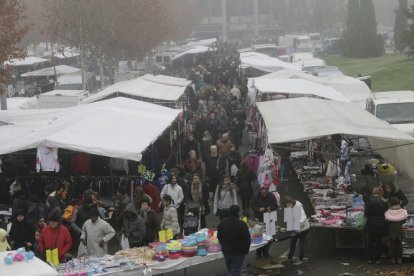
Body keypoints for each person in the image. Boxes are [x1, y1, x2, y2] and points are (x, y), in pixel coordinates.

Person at [217, 205, 251, 276]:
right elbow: (247, 239)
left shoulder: (222, 223)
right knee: (235, 271)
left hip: (226, 251)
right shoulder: (242, 224)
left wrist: (223, 245)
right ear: (238, 212)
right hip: (238, 252)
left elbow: (219, 236)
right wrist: (246, 250)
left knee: (231, 270)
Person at [251, 184, 278, 258]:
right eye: (263, 193)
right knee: (259, 235)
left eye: (266, 193)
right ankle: (258, 252)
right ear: (260, 190)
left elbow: (275, 206)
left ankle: (266, 251)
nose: (265, 194)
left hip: (269, 217)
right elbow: (252, 206)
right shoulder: (255, 196)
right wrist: (258, 209)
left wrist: (270, 208)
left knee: (269, 236)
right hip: (259, 217)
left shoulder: (271, 196)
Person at [365, 186, 388, 264]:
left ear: (373, 192)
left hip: (371, 223)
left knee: (370, 242)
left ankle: (370, 259)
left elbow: (366, 213)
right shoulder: (384, 201)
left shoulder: (370, 201)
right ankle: (378, 259)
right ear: (381, 192)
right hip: (381, 224)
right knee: (378, 242)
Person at [285, 196, 310, 266]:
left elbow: (303, 216)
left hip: (304, 229)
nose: (288, 206)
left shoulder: (298, 206)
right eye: (287, 205)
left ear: (292, 202)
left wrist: (299, 223)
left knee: (301, 245)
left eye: (289, 204)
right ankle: (289, 258)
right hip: (295, 229)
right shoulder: (288, 208)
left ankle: (301, 259)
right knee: (292, 243)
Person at [385, 196, 408, 264]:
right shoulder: (403, 211)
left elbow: (387, 221)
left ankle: (393, 258)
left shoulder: (388, 212)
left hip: (392, 229)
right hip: (400, 229)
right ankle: (399, 258)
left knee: (392, 244)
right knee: (399, 244)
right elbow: (404, 220)